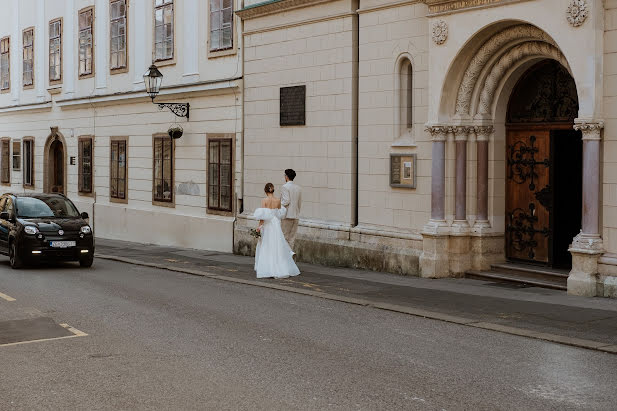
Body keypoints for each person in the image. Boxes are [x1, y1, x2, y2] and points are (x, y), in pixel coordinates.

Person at [254, 183, 300, 279]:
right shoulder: (278, 201)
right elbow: (279, 214)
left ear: (265, 191)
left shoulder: (264, 200)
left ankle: (268, 268)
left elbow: (263, 216)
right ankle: (280, 267)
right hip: (275, 224)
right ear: (273, 190)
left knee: (267, 244)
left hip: (268, 224)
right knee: (277, 244)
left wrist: (259, 227)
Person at [280, 169, 302, 254]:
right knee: (292, 238)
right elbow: (299, 203)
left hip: (287, 216)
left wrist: (278, 204)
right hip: (295, 215)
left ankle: (286, 258)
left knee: (284, 237)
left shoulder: (285, 187)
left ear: (286, 176)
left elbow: (286, 201)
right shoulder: (298, 188)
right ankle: (291, 257)